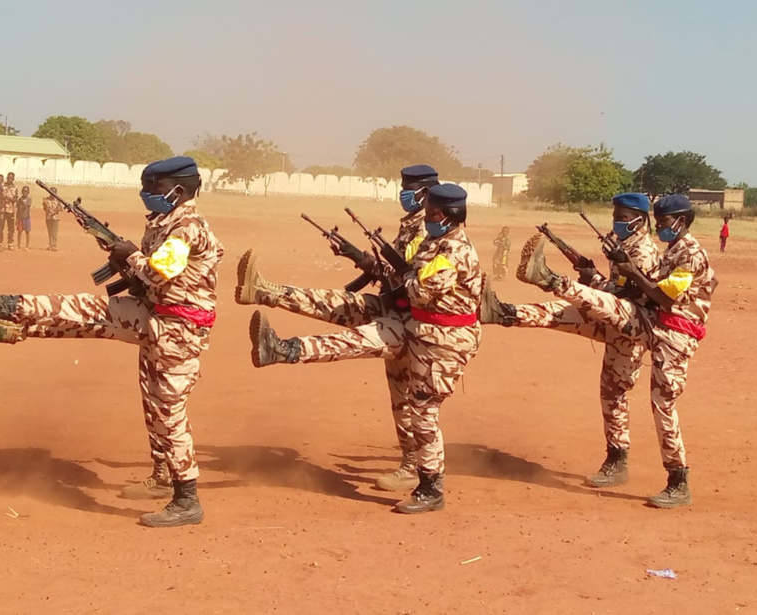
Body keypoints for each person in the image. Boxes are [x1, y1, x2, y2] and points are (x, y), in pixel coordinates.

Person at [0, 156, 225, 527]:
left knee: (169, 411)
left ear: (178, 191)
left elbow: (158, 271)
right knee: (94, 322)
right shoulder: (165, 222)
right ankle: (3, 311)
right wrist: (124, 261)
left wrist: (129, 255)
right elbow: (151, 280)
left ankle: (187, 499)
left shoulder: (187, 227)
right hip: (156, 316)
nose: (146, 194)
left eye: (154, 189)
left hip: (179, 330)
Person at [249, 183, 482, 514]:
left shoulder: (453, 253)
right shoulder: (434, 241)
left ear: (449, 215)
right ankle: (283, 349)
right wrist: (394, 270)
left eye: (432, 213)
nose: (427, 218)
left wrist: (397, 273)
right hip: (418, 326)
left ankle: (431, 489)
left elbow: (416, 292)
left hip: (445, 342)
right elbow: (411, 282)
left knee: (424, 412)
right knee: (358, 339)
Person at [236, 164, 437, 491]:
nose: (404, 193)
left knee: (400, 390)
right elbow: (394, 274)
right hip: (395, 308)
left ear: (426, 192)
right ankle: (265, 292)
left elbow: (418, 281)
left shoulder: (431, 232)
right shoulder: (412, 226)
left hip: (418, 325)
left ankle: (417, 469)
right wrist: (359, 257)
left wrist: (373, 264)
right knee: (337, 303)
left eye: (410, 188)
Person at [515, 194, 717, 508]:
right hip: (656, 325)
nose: (661, 228)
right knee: (616, 388)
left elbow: (664, 300)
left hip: (676, 334)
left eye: (664, 223)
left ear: (683, 221)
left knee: (663, 405)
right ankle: (621, 461)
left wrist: (629, 271)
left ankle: (679, 482)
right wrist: (599, 275)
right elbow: (640, 294)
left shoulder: (690, 255)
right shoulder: (672, 251)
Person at [481, 193, 660, 487]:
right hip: (615, 318)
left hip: (634, 326)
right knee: (560, 315)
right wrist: (592, 277)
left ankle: (550, 279)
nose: (617, 222)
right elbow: (614, 291)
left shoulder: (644, 252)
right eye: (616, 216)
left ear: (641, 220)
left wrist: (599, 283)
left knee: (614, 392)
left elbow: (637, 297)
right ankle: (503, 313)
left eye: (624, 218)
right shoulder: (624, 246)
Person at [0, 172, 19, 250]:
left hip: (11, 210)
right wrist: (3, 198)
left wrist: (11, 199)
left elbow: (16, 198)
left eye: (11, 178)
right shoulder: (2, 186)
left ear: (13, 179)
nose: (9, 179)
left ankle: (10, 243)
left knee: (11, 228)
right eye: (8, 177)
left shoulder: (15, 187)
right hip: (3, 209)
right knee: (1, 227)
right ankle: (0, 243)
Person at [16, 186, 32, 250]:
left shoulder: (29, 199)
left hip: (26, 217)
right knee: (19, 231)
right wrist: (17, 218)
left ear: (28, 192)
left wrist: (21, 202)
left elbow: (26, 206)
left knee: (27, 231)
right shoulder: (19, 200)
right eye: (23, 191)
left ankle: (27, 245)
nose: (25, 193)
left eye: (26, 191)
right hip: (20, 217)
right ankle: (18, 244)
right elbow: (18, 209)